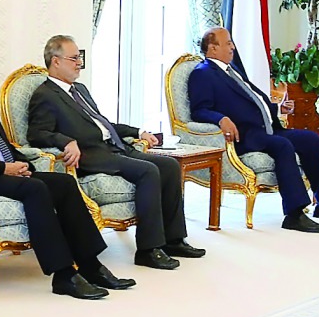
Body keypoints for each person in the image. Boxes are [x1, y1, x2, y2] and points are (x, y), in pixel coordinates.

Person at [0, 42, 134, 300]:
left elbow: (2, 143)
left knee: (64, 183)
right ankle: (63, 275)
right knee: (37, 189)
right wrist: (3, 168)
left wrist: (22, 163)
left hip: (6, 170)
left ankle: (90, 265)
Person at [26, 35, 205, 270]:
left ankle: (173, 240)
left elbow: (103, 125)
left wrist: (138, 131)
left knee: (170, 165)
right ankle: (149, 250)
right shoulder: (45, 95)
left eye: (79, 57)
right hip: (92, 156)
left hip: (113, 148)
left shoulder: (79, 89)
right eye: (74, 58)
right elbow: (37, 133)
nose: (79, 63)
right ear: (56, 61)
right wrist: (66, 141)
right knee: (148, 171)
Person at [188, 27, 319, 233]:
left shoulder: (232, 71)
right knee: (282, 145)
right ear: (213, 48)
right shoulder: (203, 73)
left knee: (310, 140)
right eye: (228, 43)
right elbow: (199, 110)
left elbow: (253, 99)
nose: (233, 46)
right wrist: (221, 118)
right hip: (245, 135)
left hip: (266, 129)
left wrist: (277, 108)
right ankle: (294, 214)